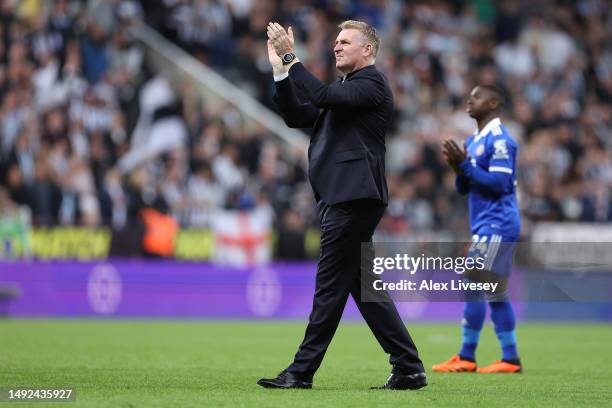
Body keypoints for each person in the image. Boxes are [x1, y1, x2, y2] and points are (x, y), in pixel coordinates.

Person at [257, 21, 426, 390]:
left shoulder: (372, 84)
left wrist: (291, 56)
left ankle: (301, 371)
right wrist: (280, 71)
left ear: (367, 50)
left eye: (345, 41)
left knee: (329, 287)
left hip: (353, 198)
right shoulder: (345, 90)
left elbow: (320, 98)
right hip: (346, 196)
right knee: (365, 288)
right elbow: (296, 116)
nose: (336, 46)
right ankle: (409, 368)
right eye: (335, 41)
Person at [435, 85, 522, 373]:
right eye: (469, 96)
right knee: (495, 290)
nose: (470, 100)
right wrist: (459, 168)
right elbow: (465, 187)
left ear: (494, 102)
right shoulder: (473, 140)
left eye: (478, 96)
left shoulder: (500, 140)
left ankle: (466, 356)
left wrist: (466, 168)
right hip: (486, 223)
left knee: (472, 281)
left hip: (499, 221)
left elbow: (499, 184)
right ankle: (510, 358)